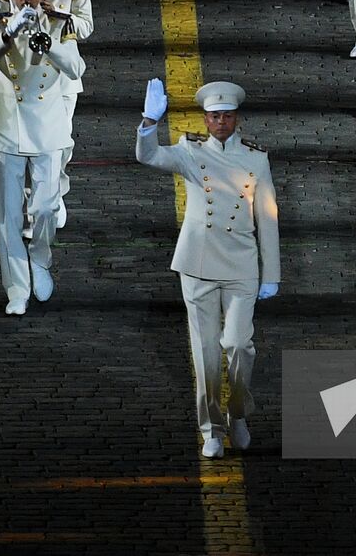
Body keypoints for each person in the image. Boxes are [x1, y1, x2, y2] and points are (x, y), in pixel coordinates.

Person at [135, 79, 281, 458]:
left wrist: (272, 273)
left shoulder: (256, 158)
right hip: (198, 262)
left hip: (241, 262)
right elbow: (148, 157)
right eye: (215, 116)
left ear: (236, 119)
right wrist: (149, 122)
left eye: (227, 116)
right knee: (205, 352)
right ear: (205, 119)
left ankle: (238, 414)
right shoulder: (189, 151)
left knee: (238, 345)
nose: (220, 122)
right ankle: (211, 427)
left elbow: (267, 216)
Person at [0, 0, 86, 315]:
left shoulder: (60, 24)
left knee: (46, 207)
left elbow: (77, 67)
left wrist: (47, 42)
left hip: (48, 128)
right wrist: (8, 35)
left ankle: (40, 259)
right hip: (9, 127)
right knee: (8, 216)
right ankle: (16, 288)